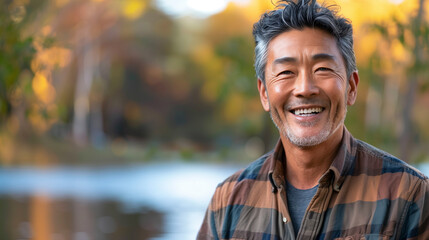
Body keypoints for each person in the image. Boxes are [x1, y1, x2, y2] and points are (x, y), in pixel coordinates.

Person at [197, 0, 429, 239]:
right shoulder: (227, 202)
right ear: (264, 93)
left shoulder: (408, 195)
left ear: (351, 86)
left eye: (322, 69)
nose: (305, 89)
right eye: (286, 72)